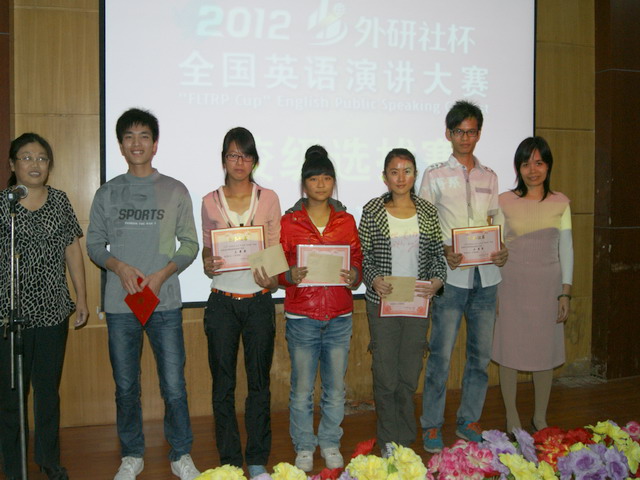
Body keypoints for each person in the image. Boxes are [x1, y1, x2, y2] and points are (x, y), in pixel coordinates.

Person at [86, 108, 200, 480]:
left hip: (164, 302)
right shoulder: (108, 193)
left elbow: (190, 244)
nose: (137, 143)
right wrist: (119, 268)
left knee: (174, 386)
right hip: (121, 306)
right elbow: (94, 245)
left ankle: (181, 453)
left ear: (155, 144)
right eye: (129, 137)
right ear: (121, 145)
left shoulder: (174, 190)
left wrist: (163, 274)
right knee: (125, 386)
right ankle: (132, 455)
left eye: (144, 136)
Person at [418, 100, 508, 452]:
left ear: (479, 134)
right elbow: (425, 224)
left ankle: (469, 419)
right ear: (448, 134)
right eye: (459, 131)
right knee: (440, 356)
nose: (465, 137)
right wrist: (444, 249)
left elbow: (497, 220)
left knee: (480, 357)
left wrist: (502, 248)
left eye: (471, 131)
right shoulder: (435, 175)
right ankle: (431, 425)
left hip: (487, 278)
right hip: (451, 278)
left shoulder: (490, 176)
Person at [0, 133, 89, 480]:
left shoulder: (60, 201)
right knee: (12, 396)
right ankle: (14, 466)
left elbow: (72, 251)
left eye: (41, 158)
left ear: (49, 165)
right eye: (26, 157)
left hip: (52, 311)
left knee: (47, 393)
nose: (35, 164)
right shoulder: (3, 205)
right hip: (9, 315)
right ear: (12, 164)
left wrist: (81, 297)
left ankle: (49, 461)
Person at [201, 127, 281, 478]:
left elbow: (275, 248)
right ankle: (231, 460)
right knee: (223, 386)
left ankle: (258, 458)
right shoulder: (209, 201)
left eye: (246, 155)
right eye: (233, 155)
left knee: (259, 383)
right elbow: (208, 247)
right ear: (224, 160)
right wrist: (207, 262)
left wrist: (273, 279)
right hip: (222, 303)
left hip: (259, 302)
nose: (239, 162)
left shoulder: (269, 198)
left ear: (254, 161)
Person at [279, 146, 362, 472]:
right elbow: (277, 267)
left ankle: (329, 441)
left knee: (335, 390)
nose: (321, 184)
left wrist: (354, 274)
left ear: (333, 182)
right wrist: (289, 275)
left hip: (339, 315)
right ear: (304, 183)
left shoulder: (346, 220)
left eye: (327, 178)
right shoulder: (289, 222)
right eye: (314, 178)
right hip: (302, 317)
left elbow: (357, 259)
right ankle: (303, 445)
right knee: (301, 390)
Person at [358, 148, 446, 453]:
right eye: (394, 172)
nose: (400, 177)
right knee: (386, 376)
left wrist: (437, 281)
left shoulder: (428, 211)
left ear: (415, 175)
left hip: (418, 302)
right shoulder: (372, 210)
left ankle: (405, 440)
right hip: (383, 302)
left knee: (409, 375)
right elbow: (363, 255)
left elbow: (438, 257)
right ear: (385, 177)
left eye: (407, 171)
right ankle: (387, 440)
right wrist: (373, 278)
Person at [491, 136, 573, 433]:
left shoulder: (561, 202)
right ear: (518, 168)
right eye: (526, 164)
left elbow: (567, 250)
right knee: (509, 351)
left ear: (548, 165)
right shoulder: (504, 201)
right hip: (511, 285)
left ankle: (540, 417)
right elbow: (495, 246)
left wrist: (565, 292)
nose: (533, 170)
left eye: (539, 163)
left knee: (544, 352)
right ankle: (512, 417)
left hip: (547, 288)